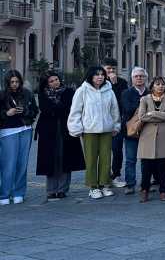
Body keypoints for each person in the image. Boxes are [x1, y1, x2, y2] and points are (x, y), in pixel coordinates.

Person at [67, 66, 120, 199]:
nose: (100, 77)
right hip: (89, 130)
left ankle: (104, 184)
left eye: (102, 74)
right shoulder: (82, 90)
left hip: (106, 129)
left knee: (106, 158)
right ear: (90, 76)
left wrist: (116, 125)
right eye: (97, 75)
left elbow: (114, 110)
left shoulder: (109, 90)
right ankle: (93, 187)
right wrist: (76, 127)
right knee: (91, 159)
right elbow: (75, 110)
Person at [35, 71, 83, 201]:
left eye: (56, 79)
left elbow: (69, 108)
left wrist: (56, 109)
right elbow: (45, 109)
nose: (55, 82)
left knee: (65, 159)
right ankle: (51, 190)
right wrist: (59, 108)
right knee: (51, 160)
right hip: (48, 132)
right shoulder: (43, 94)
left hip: (66, 130)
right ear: (47, 84)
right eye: (51, 81)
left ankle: (62, 189)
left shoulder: (68, 92)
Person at [0, 69, 38, 206]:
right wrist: (7, 113)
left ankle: (19, 193)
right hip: (8, 131)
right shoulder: (2, 95)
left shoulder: (27, 94)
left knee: (22, 164)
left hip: (25, 130)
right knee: (8, 164)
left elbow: (35, 111)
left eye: (17, 81)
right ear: (7, 83)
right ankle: (4, 194)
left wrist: (25, 111)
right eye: (12, 82)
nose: (14, 84)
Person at [137, 76, 165, 202]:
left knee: (163, 166)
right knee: (146, 167)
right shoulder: (145, 99)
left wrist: (152, 113)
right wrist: (160, 116)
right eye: (157, 84)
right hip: (147, 136)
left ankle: (163, 191)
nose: (160, 86)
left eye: (163, 84)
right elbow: (142, 116)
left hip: (164, 135)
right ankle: (144, 190)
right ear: (152, 86)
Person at [119, 67, 148, 195]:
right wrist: (143, 104)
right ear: (132, 79)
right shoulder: (126, 93)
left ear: (145, 78)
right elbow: (128, 109)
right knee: (130, 159)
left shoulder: (150, 92)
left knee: (146, 159)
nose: (139, 78)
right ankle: (130, 184)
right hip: (131, 131)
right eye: (136, 76)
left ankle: (145, 184)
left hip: (147, 131)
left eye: (141, 76)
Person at [102, 58, 128, 187]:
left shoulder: (122, 82)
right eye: (108, 68)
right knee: (103, 151)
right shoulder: (98, 82)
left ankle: (116, 174)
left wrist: (115, 84)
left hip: (117, 122)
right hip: (101, 122)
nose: (111, 71)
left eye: (113, 69)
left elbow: (121, 100)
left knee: (117, 149)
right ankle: (104, 176)